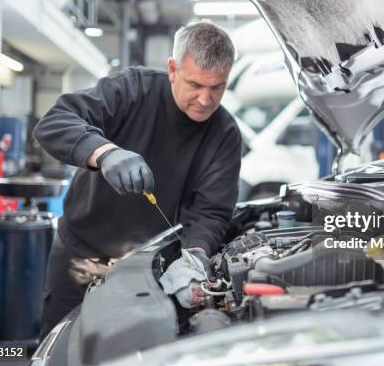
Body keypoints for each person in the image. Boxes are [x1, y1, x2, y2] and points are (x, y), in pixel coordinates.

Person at [33, 21, 241, 339]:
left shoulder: (224, 134)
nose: (205, 99)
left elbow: (211, 212)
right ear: (172, 69)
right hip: (81, 254)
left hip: (149, 269)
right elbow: (54, 122)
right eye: (195, 84)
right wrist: (103, 153)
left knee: (131, 348)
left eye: (217, 87)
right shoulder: (132, 90)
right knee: (63, 345)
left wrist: (195, 257)